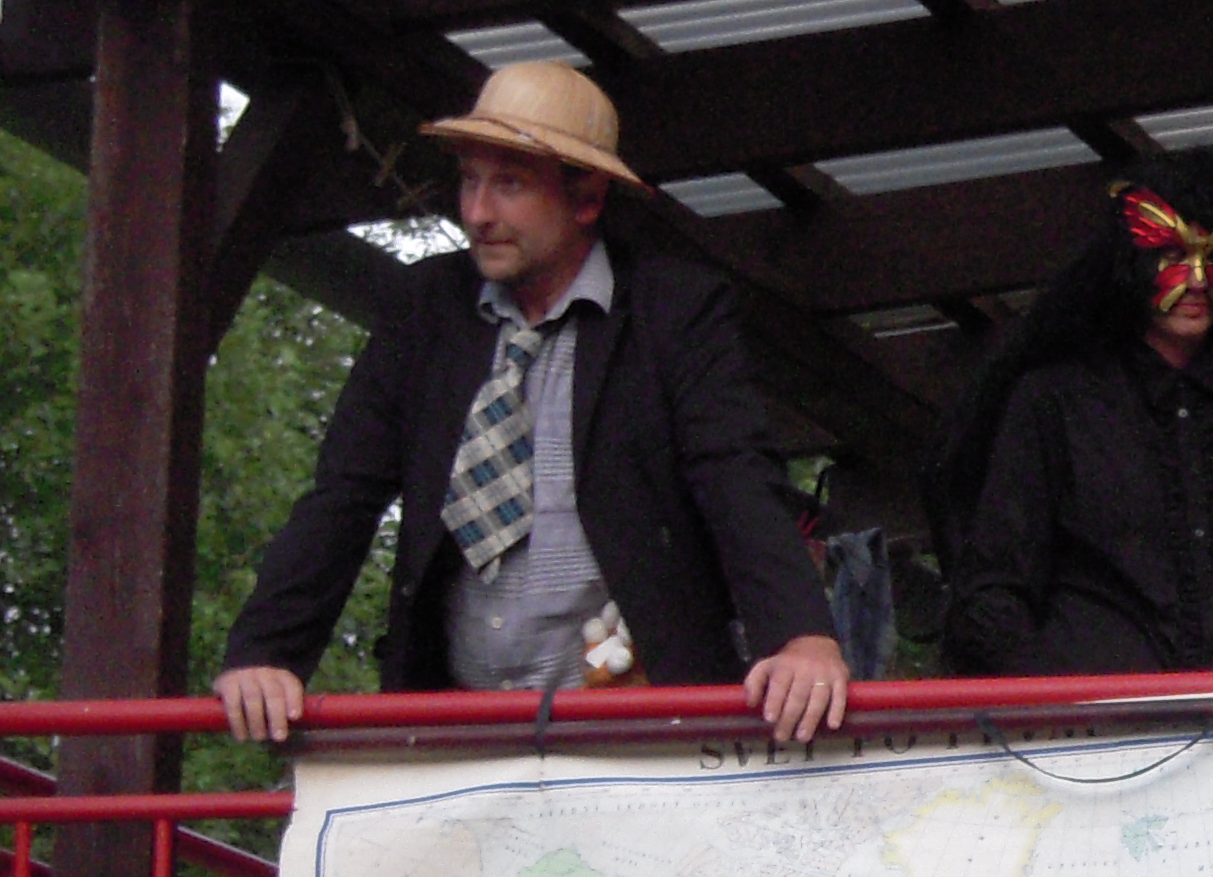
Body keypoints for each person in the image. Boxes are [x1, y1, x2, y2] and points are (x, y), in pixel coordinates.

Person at [215, 61, 849, 743]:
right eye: (470, 180)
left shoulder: (675, 310)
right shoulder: (423, 307)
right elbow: (343, 494)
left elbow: (736, 477)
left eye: (509, 184)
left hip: (636, 727)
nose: (477, 213)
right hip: (458, 728)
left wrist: (803, 637)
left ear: (588, 199)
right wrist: (266, 653)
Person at [932, 151, 1213, 676]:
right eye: (1172, 254)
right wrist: (1057, 704)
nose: (1198, 279)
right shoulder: (1055, 403)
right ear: (1130, 265)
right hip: (1098, 719)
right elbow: (996, 588)